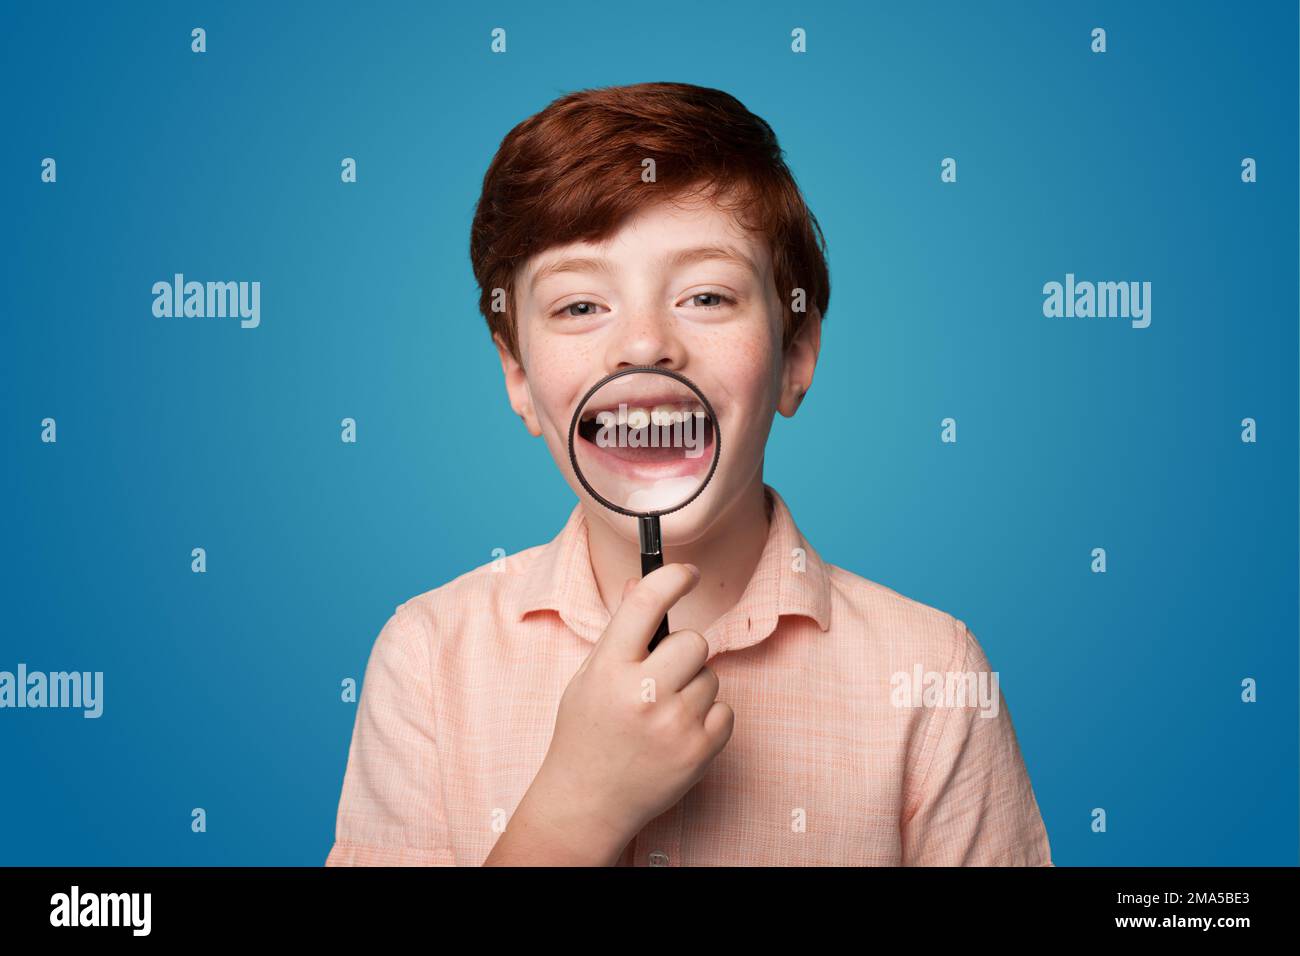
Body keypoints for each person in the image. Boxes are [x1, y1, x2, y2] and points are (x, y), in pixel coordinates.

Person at [324, 82, 1052, 867]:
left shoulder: (930, 672)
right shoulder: (430, 656)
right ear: (519, 379)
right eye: (578, 306)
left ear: (795, 359)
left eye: (706, 295)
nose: (643, 345)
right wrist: (574, 809)